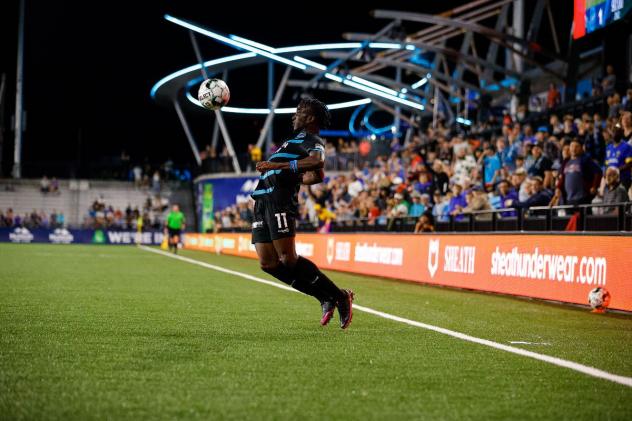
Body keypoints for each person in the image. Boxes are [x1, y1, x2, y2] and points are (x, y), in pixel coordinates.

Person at [252, 98, 353, 329]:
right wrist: (294, 174)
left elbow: (317, 162)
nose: (294, 116)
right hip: (262, 202)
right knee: (268, 264)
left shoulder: (312, 140)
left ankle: (338, 296)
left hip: (279, 201)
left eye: (299, 112)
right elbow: (316, 176)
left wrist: (279, 167)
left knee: (288, 259)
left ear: (310, 118)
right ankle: (323, 297)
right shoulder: (291, 141)